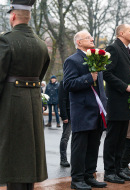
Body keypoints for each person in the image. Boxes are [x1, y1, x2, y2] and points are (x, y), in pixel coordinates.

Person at [0, 0, 50, 189]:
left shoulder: (6, 40)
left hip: (11, 104)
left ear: (13, 16)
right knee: (29, 157)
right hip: (33, 104)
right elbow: (40, 76)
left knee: (13, 158)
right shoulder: (41, 45)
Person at [63, 30, 107, 189]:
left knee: (93, 146)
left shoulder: (96, 59)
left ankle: (89, 176)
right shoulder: (72, 60)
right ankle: (77, 179)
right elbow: (68, 84)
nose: (92, 39)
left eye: (91, 37)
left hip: (97, 111)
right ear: (79, 42)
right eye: (88, 38)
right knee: (80, 147)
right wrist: (89, 77)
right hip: (82, 110)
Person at [103, 24, 130, 184]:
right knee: (113, 138)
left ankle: (118, 169)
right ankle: (109, 172)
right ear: (121, 33)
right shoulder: (113, 48)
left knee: (121, 139)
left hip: (126, 102)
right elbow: (106, 73)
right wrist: (125, 87)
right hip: (116, 102)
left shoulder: (127, 50)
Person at [58, 80, 71, 167]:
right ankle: (63, 159)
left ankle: (75, 159)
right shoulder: (63, 82)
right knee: (65, 137)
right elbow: (62, 100)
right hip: (68, 114)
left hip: (77, 113)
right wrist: (64, 116)